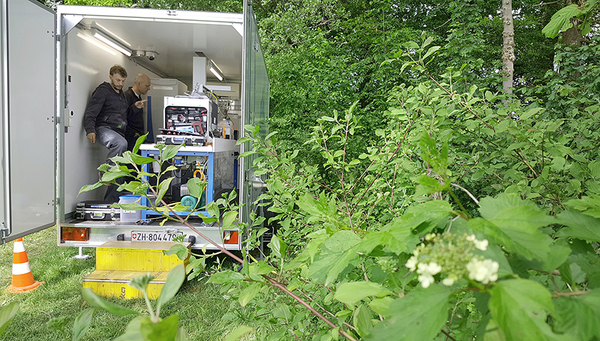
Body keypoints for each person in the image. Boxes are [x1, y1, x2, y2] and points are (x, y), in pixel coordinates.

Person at [83, 65, 142, 202]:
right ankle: (106, 174)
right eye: (118, 80)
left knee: (120, 168)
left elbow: (123, 115)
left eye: (123, 81)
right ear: (110, 77)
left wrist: (134, 108)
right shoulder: (103, 91)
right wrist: (90, 129)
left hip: (118, 130)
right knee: (120, 143)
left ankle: (111, 201)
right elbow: (91, 112)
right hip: (103, 128)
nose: (120, 84)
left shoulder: (121, 95)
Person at [124, 73, 151, 150]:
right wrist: (132, 133)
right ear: (138, 84)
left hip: (138, 137)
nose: (149, 88)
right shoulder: (127, 96)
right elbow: (122, 117)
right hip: (130, 138)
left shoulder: (138, 97)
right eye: (147, 86)